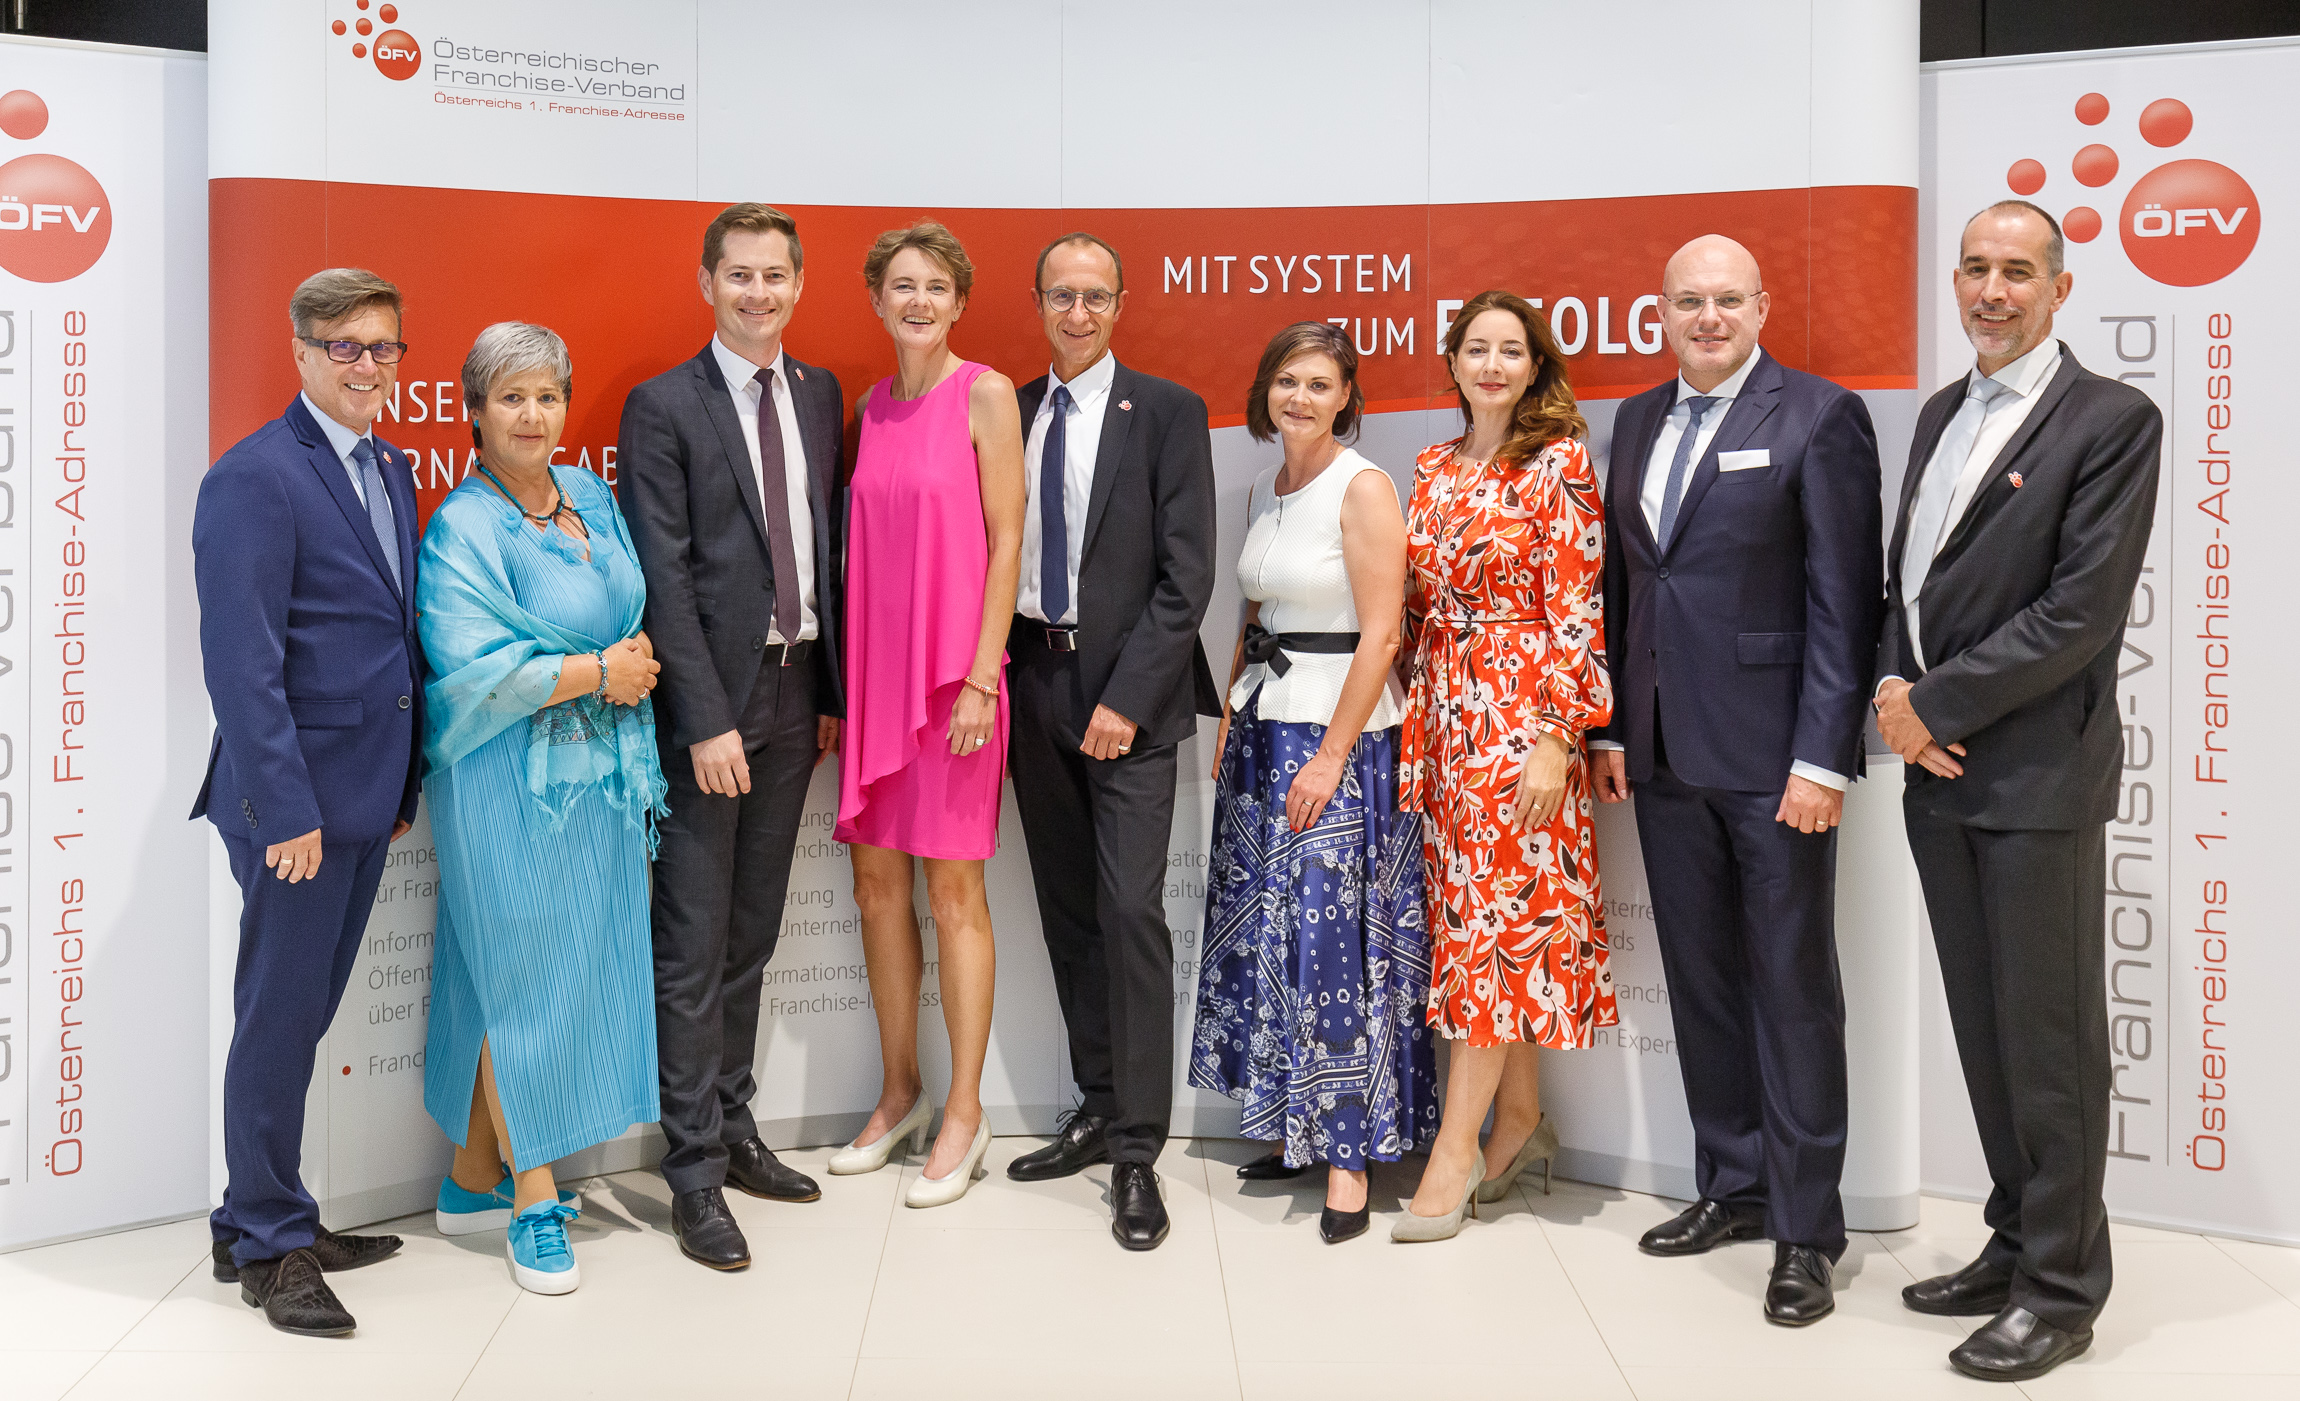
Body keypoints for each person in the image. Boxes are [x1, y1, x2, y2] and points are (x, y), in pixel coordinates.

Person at [1875, 200, 2160, 1383]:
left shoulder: (2110, 419)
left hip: (2034, 772)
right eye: (1973, 270)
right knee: (1984, 1034)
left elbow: (2077, 613)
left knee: (2047, 1045)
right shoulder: (1941, 411)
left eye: (2015, 271)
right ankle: (2012, 1242)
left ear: (2057, 287)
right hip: (1935, 772)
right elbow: (1907, 580)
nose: (1990, 291)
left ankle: (2060, 1290)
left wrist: (1930, 707)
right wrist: (1890, 692)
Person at [1588, 235, 1882, 1325]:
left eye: (1725, 300)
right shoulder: (1634, 419)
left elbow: (1845, 603)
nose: (1706, 317)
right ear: (1659, 312)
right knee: (1703, 980)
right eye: (1687, 301)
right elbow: (1627, 586)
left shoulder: (1819, 415)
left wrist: (1821, 757)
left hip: (1773, 763)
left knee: (1791, 991)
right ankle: (1733, 1183)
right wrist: (1613, 730)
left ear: (1760, 307)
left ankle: (1805, 1230)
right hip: (1663, 755)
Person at [192, 268, 422, 1335]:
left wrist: (402, 778)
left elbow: (390, 637)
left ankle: (252, 1214)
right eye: (345, 347)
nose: (367, 366)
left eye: (383, 347)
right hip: (295, 811)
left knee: (302, 1014)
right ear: (301, 351)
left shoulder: (391, 466)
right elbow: (241, 666)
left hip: (367, 794)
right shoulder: (254, 477)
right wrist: (285, 811)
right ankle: (270, 1246)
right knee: (278, 1019)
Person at [417, 323, 668, 1296]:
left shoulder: (592, 496)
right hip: (501, 782)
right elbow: (471, 670)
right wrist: (600, 669)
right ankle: (533, 1199)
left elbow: (627, 606)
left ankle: (470, 1175)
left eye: (548, 395)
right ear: (474, 412)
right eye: (511, 397)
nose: (532, 415)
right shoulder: (462, 527)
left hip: (598, 778)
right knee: (521, 980)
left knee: (524, 973)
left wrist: (617, 661)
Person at [618, 203, 846, 1270]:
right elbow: (662, 571)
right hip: (712, 704)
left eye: (776, 275)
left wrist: (829, 690)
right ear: (707, 283)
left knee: (752, 930)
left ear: (799, 285)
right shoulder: (664, 404)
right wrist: (704, 719)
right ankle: (694, 1171)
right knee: (694, 941)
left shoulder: (819, 393)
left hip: (797, 694)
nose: (759, 292)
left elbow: (825, 550)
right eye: (740, 274)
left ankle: (737, 1122)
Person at [1190, 322, 1433, 1246]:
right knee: (1275, 934)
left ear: (1346, 399)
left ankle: (1349, 1156)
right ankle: (1297, 1124)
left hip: (1340, 734)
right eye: (1287, 379)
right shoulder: (1266, 486)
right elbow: (1255, 610)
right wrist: (1231, 714)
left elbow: (1383, 633)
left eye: (1319, 384)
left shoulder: (1363, 487)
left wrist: (1330, 754)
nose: (1299, 397)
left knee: (1335, 946)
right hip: (1264, 724)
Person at [1001, 232, 1221, 1251]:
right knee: (1069, 909)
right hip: (1032, 680)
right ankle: (1095, 1105)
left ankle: (1137, 1151)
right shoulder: (1008, 409)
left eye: (1094, 296)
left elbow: (1187, 575)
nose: (1077, 312)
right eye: (1061, 295)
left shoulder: (1166, 411)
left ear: (1120, 303)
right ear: (1038, 302)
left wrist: (1128, 697)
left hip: (1128, 694)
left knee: (1130, 912)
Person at [1393, 290, 1612, 1243]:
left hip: (1520, 723)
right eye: (1475, 349)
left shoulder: (1559, 461)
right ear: (1453, 361)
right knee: (1481, 925)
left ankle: (1455, 1150)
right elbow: (1414, 603)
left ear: (1534, 367)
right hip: (1443, 718)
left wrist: (1558, 735)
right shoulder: (1432, 466)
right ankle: (1520, 1118)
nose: (1491, 365)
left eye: (1509, 351)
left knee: (1488, 930)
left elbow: (1578, 607)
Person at [830, 222, 1025, 1208]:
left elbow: (1006, 540)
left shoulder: (986, 394)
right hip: (876, 683)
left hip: (957, 685)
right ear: (876, 299)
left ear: (959, 303)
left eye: (935, 286)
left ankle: (965, 1110)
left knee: (953, 896)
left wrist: (983, 676)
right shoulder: (869, 408)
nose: (917, 301)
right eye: (901, 285)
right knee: (875, 889)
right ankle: (898, 1091)